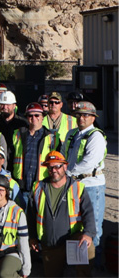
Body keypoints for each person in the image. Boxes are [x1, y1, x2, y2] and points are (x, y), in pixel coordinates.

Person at [27, 151, 96, 277]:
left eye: (57, 166)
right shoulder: (38, 188)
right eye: (50, 167)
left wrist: (88, 234)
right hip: (50, 244)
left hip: (73, 240)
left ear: (65, 166)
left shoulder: (77, 187)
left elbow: (89, 213)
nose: (54, 170)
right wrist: (32, 237)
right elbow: (30, 216)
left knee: (88, 248)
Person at [62, 101, 107, 256]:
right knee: (75, 224)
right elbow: (63, 155)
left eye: (86, 115)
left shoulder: (96, 137)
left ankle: (94, 261)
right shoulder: (71, 134)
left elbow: (89, 162)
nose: (81, 118)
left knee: (93, 224)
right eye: (79, 115)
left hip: (91, 185)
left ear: (93, 118)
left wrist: (66, 173)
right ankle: (78, 260)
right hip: (74, 184)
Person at [11, 102, 59, 210]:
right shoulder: (18, 134)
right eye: (30, 115)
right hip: (21, 188)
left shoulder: (52, 137)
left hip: (42, 187)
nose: (34, 118)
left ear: (42, 117)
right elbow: (10, 158)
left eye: (37, 115)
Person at [0, 91, 28, 167]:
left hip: (17, 166)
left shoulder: (22, 124)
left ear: (14, 106)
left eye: (8, 105)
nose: (5, 107)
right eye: (2, 104)